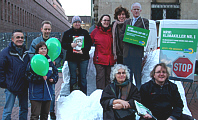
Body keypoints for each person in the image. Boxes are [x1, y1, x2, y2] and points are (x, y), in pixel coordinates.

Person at [29, 20, 62, 119]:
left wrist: (56, 62)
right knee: (36, 112)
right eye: (45, 29)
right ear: (41, 29)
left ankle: (51, 112)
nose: (47, 31)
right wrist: (39, 66)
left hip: (49, 79)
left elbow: (60, 55)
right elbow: (31, 58)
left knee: (51, 95)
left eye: (49, 29)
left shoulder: (53, 42)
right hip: (38, 81)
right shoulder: (35, 42)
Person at [0, 29, 30, 120]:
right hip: (11, 87)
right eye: (18, 37)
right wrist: (4, 84)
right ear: (12, 39)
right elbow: (1, 69)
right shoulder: (5, 53)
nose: (20, 39)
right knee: (8, 111)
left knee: (24, 109)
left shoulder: (26, 53)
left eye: (22, 37)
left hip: (23, 87)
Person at [120, 2, 149, 90]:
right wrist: (130, 36)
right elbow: (121, 35)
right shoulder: (127, 22)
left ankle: (138, 93)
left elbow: (144, 36)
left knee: (137, 76)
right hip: (127, 54)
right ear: (131, 11)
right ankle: (128, 92)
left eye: (137, 9)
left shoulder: (144, 22)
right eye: (134, 9)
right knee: (128, 75)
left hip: (137, 54)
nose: (136, 11)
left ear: (140, 11)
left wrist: (131, 36)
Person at [26, 42, 59, 120]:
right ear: (37, 51)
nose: (44, 50)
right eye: (41, 49)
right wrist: (39, 78)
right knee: (35, 115)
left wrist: (53, 79)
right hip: (36, 93)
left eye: (45, 49)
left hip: (48, 92)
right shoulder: (33, 61)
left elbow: (56, 73)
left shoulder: (50, 62)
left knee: (45, 115)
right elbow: (28, 75)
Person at [61, 16, 92, 95]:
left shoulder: (85, 32)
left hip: (83, 58)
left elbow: (89, 44)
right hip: (72, 58)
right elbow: (63, 44)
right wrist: (70, 45)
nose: (77, 24)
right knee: (73, 78)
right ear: (72, 23)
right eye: (75, 22)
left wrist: (83, 50)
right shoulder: (67, 33)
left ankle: (84, 95)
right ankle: (73, 95)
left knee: (83, 78)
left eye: (78, 22)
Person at [91, 14, 117, 90]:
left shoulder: (112, 31)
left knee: (109, 79)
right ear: (101, 21)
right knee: (100, 79)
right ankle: (100, 95)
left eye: (108, 20)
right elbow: (88, 42)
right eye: (105, 20)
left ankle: (108, 95)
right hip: (100, 60)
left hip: (110, 60)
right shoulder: (96, 31)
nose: (106, 22)